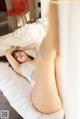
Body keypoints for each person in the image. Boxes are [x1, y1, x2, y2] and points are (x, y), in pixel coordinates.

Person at [4, 0, 63, 114]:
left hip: (56, 89)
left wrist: (21, 48)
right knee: (47, 58)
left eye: (19, 53)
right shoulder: (20, 68)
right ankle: (55, 18)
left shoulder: (36, 58)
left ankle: (54, 30)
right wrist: (12, 50)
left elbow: (36, 44)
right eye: (16, 57)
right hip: (41, 97)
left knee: (56, 58)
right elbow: (7, 53)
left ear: (25, 53)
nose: (18, 55)